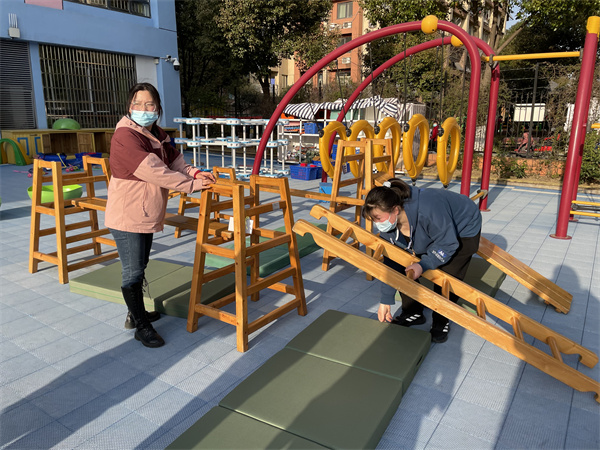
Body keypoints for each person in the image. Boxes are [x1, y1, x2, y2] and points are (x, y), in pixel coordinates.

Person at [105, 82, 215, 348]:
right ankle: (141, 326)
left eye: (150, 104)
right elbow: (155, 171)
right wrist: (192, 185)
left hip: (145, 211)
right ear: (129, 106)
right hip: (128, 214)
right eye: (138, 104)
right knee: (132, 272)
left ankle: (136, 314)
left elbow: (175, 161)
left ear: (158, 109)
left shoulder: (156, 134)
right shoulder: (126, 136)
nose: (144, 109)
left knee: (140, 265)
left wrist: (196, 172)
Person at [362, 178, 482, 343]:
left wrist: (424, 264)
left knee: (447, 275)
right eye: (373, 219)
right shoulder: (390, 222)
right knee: (402, 262)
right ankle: (413, 311)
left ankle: (441, 320)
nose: (377, 224)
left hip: (464, 225)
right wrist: (386, 300)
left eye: (379, 218)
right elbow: (391, 263)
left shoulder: (428, 210)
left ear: (395, 210)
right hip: (436, 227)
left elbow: (448, 244)